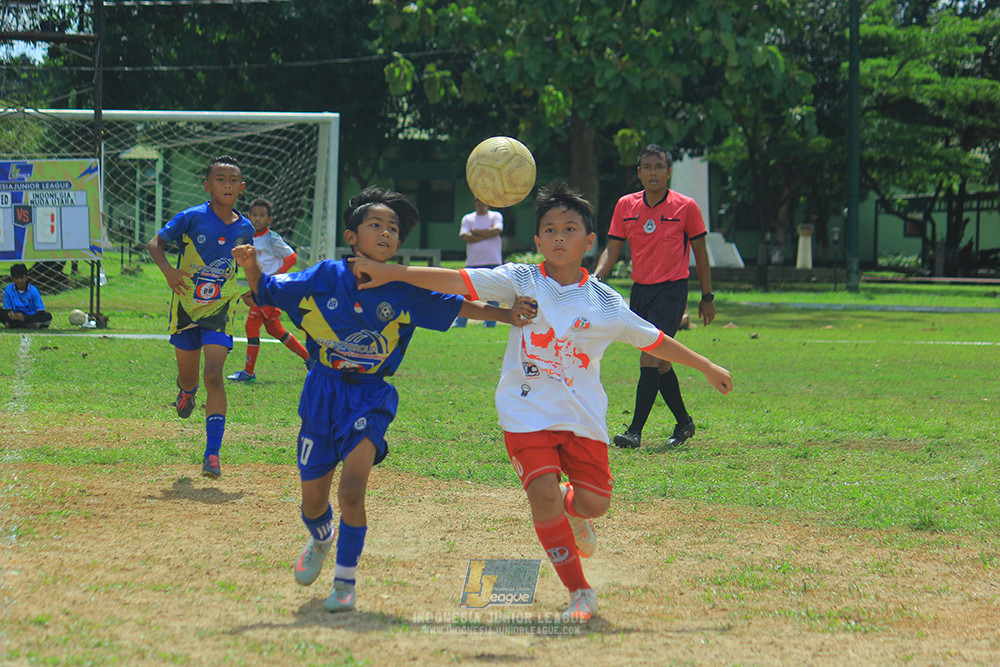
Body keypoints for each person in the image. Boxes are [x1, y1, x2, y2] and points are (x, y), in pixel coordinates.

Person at [350, 182, 733, 622]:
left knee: (594, 504)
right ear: (537, 241)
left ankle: (576, 511)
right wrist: (394, 272)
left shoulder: (606, 302)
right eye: (549, 229)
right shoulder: (521, 279)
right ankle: (580, 591)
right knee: (543, 495)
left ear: (590, 242)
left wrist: (706, 366)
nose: (558, 236)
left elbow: (656, 340)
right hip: (524, 411)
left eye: (570, 229)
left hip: (582, 418)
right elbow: (458, 281)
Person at [231, 185, 531, 614]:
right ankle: (320, 538)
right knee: (313, 503)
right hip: (321, 392)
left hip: (371, 397)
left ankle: (345, 584)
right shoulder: (324, 277)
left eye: (393, 228)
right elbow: (266, 295)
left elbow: (459, 307)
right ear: (352, 237)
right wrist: (251, 269)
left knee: (352, 491)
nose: (387, 233)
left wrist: (506, 314)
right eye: (376, 225)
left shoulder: (404, 287)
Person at [594, 144, 717, 450]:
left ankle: (634, 431)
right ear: (639, 172)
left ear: (669, 172)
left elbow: (700, 254)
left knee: (650, 354)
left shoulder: (685, 207)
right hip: (641, 293)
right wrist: (596, 279)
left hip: (672, 291)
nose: (653, 172)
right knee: (661, 363)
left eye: (659, 167)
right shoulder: (626, 205)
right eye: (647, 167)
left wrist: (707, 295)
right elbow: (612, 248)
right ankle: (684, 422)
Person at [147, 155, 255, 480]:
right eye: (220, 179)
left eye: (233, 180)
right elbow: (155, 243)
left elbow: (247, 263)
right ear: (208, 186)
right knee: (191, 379)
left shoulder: (245, 227)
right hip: (185, 307)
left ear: (241, 188)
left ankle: (213, 454)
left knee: (214, 375)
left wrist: (253, 285)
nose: (226, 184)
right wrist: (168, 271)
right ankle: (185, 392)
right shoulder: (192, 218)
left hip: (221, 309)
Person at [227, 197, 312, 382]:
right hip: (260, 290)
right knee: (275, 329)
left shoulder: (272, 238)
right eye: (254, 215)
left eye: (262, 215)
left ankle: (249, 373)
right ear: (249, 217)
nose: (257, 219)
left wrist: (274, 278)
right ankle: (310, 359)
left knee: (251, 326)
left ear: (269, 219)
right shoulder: (248, 237)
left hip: (268, 290)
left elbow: (292, 258)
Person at [453, 197, 503, 328]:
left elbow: (497, 231)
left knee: (493, 294)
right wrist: (487, 232)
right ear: (475, 203)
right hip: (473, 262)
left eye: (483, 203)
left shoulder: (495, 216)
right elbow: (465, 236)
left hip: (493, 260)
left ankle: (490, 323)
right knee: (466, 293)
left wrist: (474, 231)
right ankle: (460, 322)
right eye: (478, 203)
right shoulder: (468, 218)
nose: (481, 205)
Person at [1, 263, 53, 329]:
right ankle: (32, 325)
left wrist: (24, 318)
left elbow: (40, 311)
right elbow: (7, 308)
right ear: (12, 279)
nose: (19, 281)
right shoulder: (9, 289)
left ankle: (13, 325)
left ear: (26, 277)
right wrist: (10, 314)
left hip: (29, 317)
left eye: (21, 278)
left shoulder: (33, 290)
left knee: (47, 316)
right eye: (16, 278)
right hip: (15, 317)